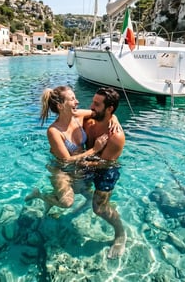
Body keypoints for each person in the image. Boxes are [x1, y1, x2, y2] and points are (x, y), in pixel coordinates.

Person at [25, 85, 120, 211]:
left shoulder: (78, 115)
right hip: (61, 169)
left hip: (80, 166)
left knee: (91, 197)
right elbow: (66, 160)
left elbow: (102, 113)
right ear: (61, 106)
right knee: (67, 202)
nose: (77, 101)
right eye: (72, 99)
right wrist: (94, 150)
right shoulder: (54, 131)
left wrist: (114, 118)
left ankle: (51, 200)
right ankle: (39, 195)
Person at [80, 87, 126, 259]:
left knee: (99, 208)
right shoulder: (90, 120)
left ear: (109, 109)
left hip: (106, 169)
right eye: (92, 101)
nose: (91, 106)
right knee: (77, 188)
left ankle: (120, 233)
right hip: (88, 161)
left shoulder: (116, 136)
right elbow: (73, 112)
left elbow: (103, 163)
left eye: (96, 104)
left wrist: (77, 160)